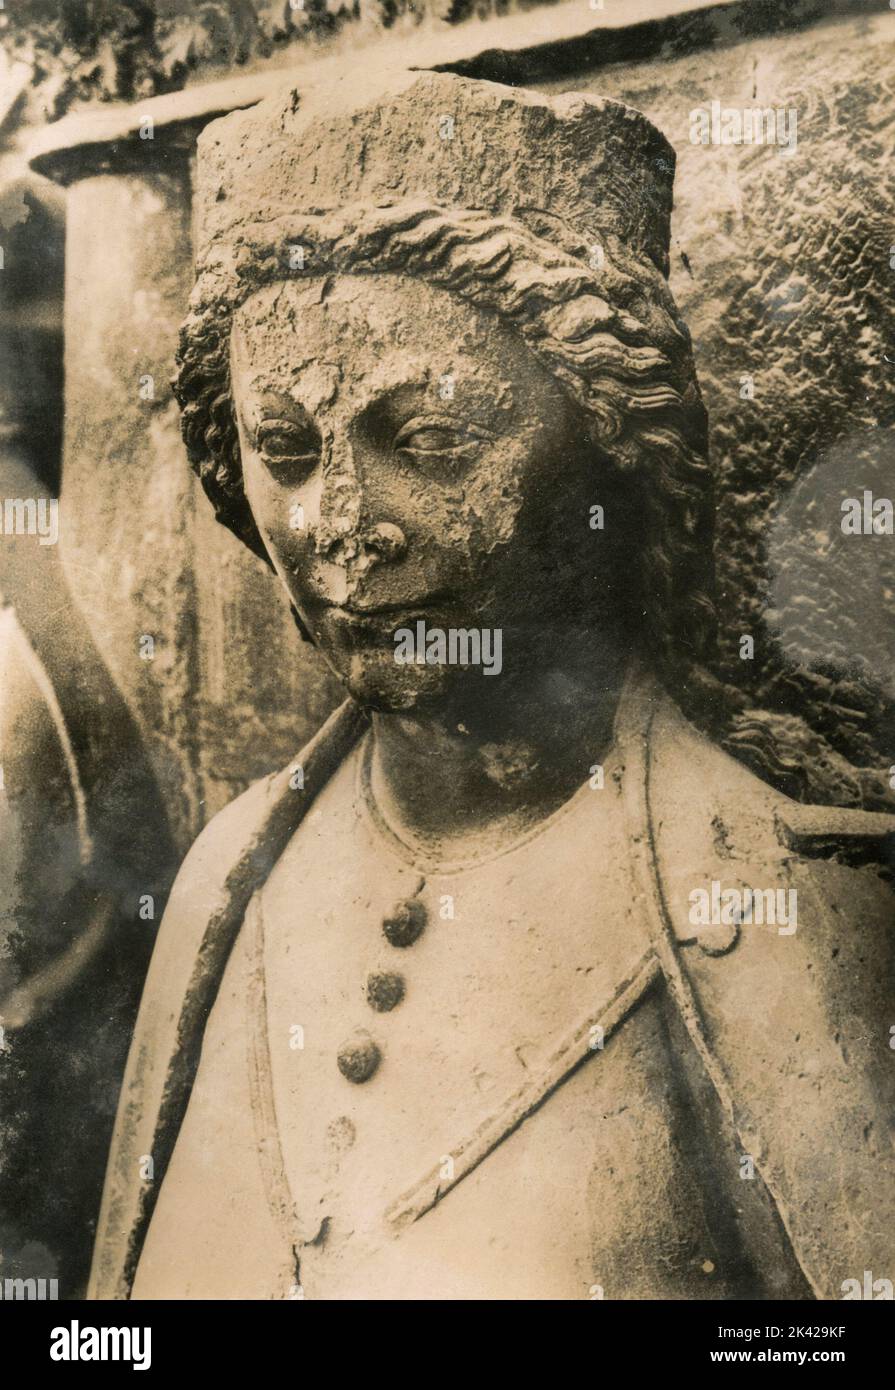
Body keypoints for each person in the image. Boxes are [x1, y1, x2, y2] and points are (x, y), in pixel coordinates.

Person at [89, 71, 895, 1301]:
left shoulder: (763, 903)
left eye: (427, 442)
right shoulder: (224, 885)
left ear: (610, 449)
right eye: (286, 452)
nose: (340, 526)